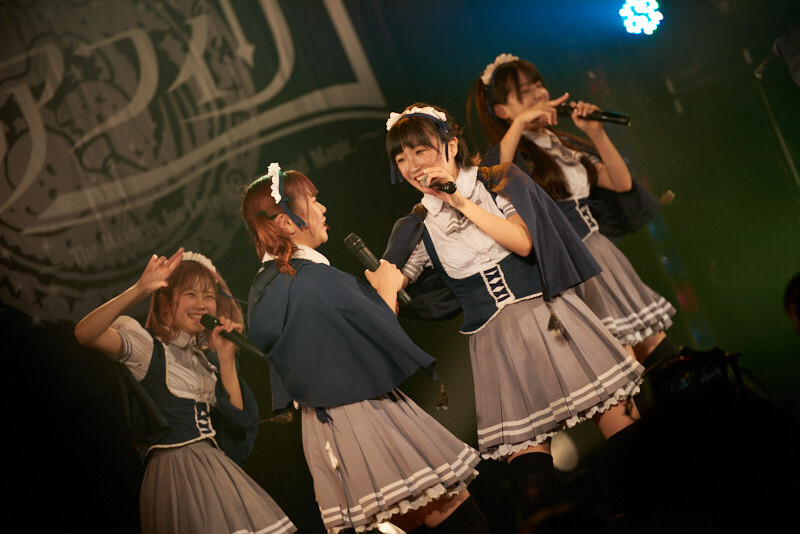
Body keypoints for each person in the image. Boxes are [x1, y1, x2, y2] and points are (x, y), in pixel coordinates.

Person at [382, 103, 643, 516]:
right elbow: (391, 285)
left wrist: (460, 202)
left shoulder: (499, 180)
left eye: (420, 150)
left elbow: (523, 242)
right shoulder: (417, 226)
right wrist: (386, 285)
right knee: (535, 488)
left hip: (551, 320)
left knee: (631, 443)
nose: (412, 165)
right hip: (497, 348)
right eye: (401, 158)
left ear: (452, 146)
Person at [241, 163, 490, 534]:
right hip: (364, 414)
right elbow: (376, 335)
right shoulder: (313, 279)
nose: (322, 209)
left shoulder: (266, 288)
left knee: (407, 518)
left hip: (325, 428)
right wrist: (387, 287)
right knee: (457, 514)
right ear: (285, 222)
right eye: (312, 201)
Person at [468, 53, 678, 370]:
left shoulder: (558, 142)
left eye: (539, 85)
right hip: (571, 267)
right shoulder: (512, 155)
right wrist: (521, 122)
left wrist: (596, 133)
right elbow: (495, 175)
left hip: (602, 254)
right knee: (624, 367)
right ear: (502, 111)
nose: (539, 93)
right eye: (525, 91)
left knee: (660, 351)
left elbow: (621, 183)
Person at [74, 249, 296, 534]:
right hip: (175, 470)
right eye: (190, 294)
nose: (201, 304)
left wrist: (226, 358)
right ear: (166, 303)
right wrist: (140, 289)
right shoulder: (148, 350)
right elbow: (85, 334)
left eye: (208, 296)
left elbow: (239, 422)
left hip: (215, 467)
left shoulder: (204, 360)